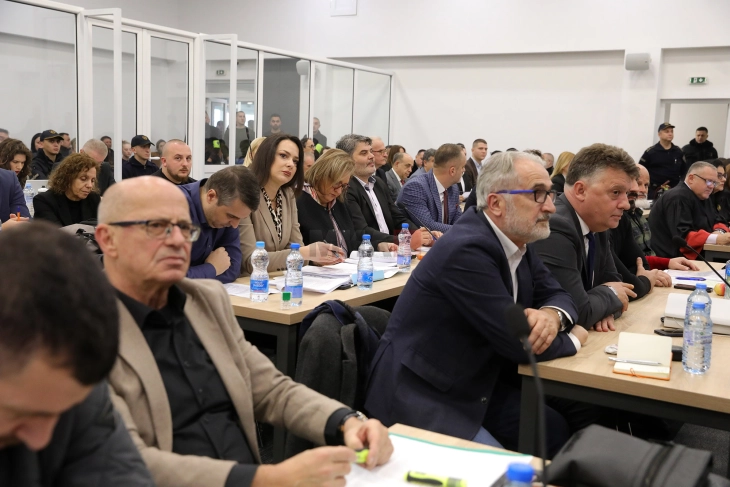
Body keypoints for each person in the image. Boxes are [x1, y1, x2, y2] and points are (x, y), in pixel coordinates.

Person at [95, 177, 392, 487]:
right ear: (108, 239)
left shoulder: (205, 301)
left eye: (184, 228)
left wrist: (347, 421)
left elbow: (271, 388)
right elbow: (124, 459)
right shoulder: (81, 332)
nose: (178, 241)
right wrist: (270, 479)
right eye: (157, 227)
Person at [365, 151, 592, 456]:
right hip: (425, 396)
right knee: (504, 472)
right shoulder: (467, 249)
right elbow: (518, 344)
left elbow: (560, 294)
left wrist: (552, 316)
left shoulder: (517, 240)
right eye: (538, 194)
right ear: (496, 203)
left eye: (550, 194)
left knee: (557, 430)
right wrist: (574, 337)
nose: (551, 206)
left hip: (476, 380)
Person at [0, 223, 154, 486]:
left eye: (58, 414)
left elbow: (119, 474)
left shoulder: (70, 389)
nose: (41, 440)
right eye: (19, 413)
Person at [532, 143, 639, 332]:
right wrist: (606, 300)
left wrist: (603, 307)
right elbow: (577, 311)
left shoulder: (598, 224)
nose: (626, 204)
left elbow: (621, 289)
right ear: (580, 190)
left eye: (626, 194)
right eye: (615, 192)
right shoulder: (555, 227)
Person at [239, 134, 345, 276]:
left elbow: (296, 246)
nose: (291, 164)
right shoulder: (244, 192)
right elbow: (250, 260)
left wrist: (315, 258)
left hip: (281, 279)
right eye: (283, 156)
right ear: (266, 155)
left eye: (295, 161)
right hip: (249, 282)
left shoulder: (287, 195)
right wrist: (306, 253)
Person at [338, 135, 430, 249]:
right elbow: (361, 230)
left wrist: (422, 235)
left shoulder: (378, 183)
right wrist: (403, 240)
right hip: (371, 251)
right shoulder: (346, 188)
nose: (371, 156)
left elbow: (397, 218)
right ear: (347, 159)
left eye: (371, 151)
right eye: (364, 153)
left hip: (393, 249)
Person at [298, 149, 397, 253]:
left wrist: (378, 246)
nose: (339, 191)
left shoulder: (339, 202)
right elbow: (296, 251)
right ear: (321, 174)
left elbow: (350, 243)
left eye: (344, 186)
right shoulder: (298, 201)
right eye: (337, 184)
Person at [177, 166, 258, 283]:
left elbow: (233, 270)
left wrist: (195, 274)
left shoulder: (228, 215)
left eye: (240, 219)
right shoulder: (171, 207)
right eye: (231, 216)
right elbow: (166, 279)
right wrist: (212, 268)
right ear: (211, 196)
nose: (235, 225)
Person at [649, 161, 730, 259]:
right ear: (691, 178)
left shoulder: (703, 196)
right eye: (708, 181)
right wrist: (716, 238)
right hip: (673, 259)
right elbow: (683, 236)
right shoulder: (678, 197)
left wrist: (719, 232)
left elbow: (718, 220)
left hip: (702, 254)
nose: (712, 186)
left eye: (714, 182)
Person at [396, 143, 465, 233]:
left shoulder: (453, 188)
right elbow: (428, 225)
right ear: (452, 171)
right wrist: (463, 230)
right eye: (463, 167)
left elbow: (458, 219)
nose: (464, 170)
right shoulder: (415, 187)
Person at [33, 152, 100, 226]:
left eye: (92, 180)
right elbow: (55, 231)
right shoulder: (44, 201)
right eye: (83, 179)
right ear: (68, 178)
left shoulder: (93, 199)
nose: (90, 185)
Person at [639, 122, 687, 198]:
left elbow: (684, 171)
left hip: (674, 191)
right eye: (667, 131)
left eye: (671, 131)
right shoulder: (651, 152)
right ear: (659, 134)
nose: (670, 134)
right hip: (655, 190)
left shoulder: (678, 152)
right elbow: (641, 170)